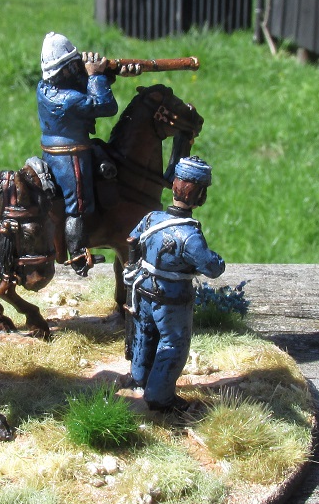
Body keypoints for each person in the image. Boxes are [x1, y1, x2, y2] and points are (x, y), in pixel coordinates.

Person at [124, 156, 225, 413]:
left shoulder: (151, 218)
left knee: (144, 333)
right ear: (200, 196)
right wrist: (217, 261)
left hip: (143, 289)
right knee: (173, 344)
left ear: (174, 187)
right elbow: (212, 267)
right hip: (172, 299)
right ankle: (159, 397)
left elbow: (132, 240)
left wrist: (134, 266)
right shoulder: (189, 236)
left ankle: (139, 378)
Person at [37, 32, 136, 275]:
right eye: (73, 65)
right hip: (70, 154)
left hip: (67, 148)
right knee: (78, 203)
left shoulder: (47, 88)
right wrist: (95, 75)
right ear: (65, 69)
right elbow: (105, 105)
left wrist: (112, 72)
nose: (77, 67)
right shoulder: (67, 99)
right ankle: (78, 254)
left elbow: (82, 86)